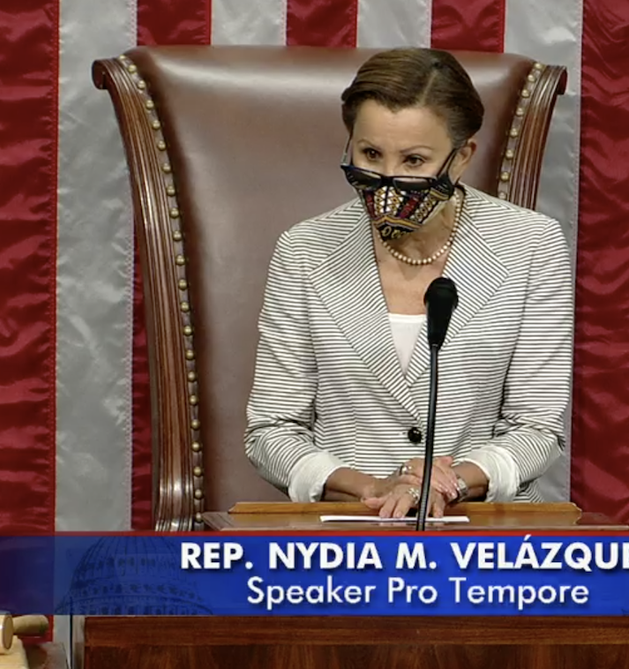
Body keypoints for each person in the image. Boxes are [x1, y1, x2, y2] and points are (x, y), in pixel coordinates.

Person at [243, 47, 574, 518]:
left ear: (460, 159)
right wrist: (373, 488)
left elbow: (538, 429)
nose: (387, 182)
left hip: (482, 533)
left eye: (414, 161)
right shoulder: (305, 250)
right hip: (347, 530)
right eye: (371, 153)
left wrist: (452, 481)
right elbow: (271, 431)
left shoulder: (530, 244)